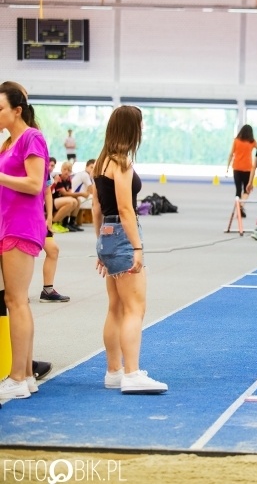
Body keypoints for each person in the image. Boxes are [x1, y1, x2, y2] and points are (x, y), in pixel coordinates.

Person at [92, 105, 167, 395]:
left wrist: (101, 245)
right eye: (141, 125)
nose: (143, 130)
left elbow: (98, 208)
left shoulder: (100, 163)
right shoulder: (121, 163)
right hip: (123, 235)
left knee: (116, 307)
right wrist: (137, 247)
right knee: (135, 307)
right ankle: (132, 373)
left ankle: (114, 370)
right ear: (130, 129)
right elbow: (125, 208)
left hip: (107, 236)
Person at [0, 81, 49, 400]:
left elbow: (34, 184)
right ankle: (25, 375)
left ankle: (18, 376)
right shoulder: (8, 143)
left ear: (17, 111)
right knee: (16, 301)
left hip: (20, 226)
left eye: (0, 109)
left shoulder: (31, 137)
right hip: (7, 225)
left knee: (16, 300)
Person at [40, 179, 70, 303]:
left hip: (38, 215)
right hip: (17, 213)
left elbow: (47, 192)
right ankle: (16, 291)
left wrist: (50, 217)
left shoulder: (43, 164)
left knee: (53, 250)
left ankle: (47, 291)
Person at [226, 124, 257, 218]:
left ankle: (239, 208)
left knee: (238, 190)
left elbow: (231, 154)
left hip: (237, 168)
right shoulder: (252, 142)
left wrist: (227, 167)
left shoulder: (236, 140)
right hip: (248, 168)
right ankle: (241, 206)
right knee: (247, 189)